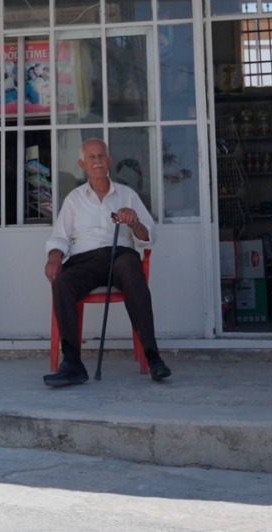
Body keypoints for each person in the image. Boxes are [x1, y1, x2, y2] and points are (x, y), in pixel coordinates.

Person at [43, 138, 171, 386]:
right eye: (91, 157)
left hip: (119, 257)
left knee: (132, 272)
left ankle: (154, 357)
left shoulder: (127, 194)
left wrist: (134, 223)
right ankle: (72, 363)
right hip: (84, 262)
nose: (97, 160)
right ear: (82, 164)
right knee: (63, 282)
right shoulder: (74, 199)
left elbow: (148, 238)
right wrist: (54, 257)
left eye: (101, 155)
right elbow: (59, 236)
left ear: (109, 160)